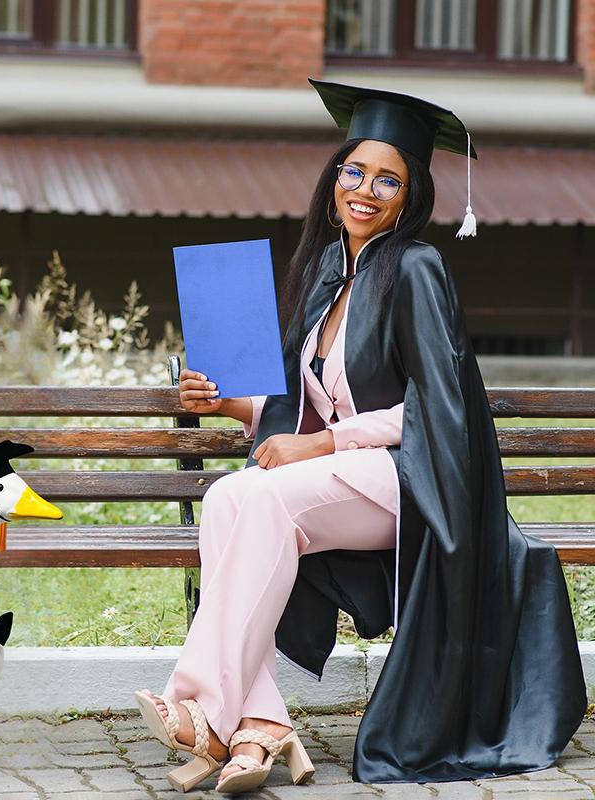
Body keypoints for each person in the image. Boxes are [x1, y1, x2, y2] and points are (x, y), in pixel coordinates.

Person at [135, 81, 588, 794]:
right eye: (355, 171)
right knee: (229, 497)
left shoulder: (416, 269)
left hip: (410, 479)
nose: (366, 191)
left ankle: (200, 704)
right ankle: (258, 726)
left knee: (262, 498)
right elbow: (308, 402)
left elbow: (437, 407)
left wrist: (324, 445)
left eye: (388, 180)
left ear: (410, 198)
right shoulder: (325, 273)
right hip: (348, 477)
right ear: (333, 180)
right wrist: (232, 405)